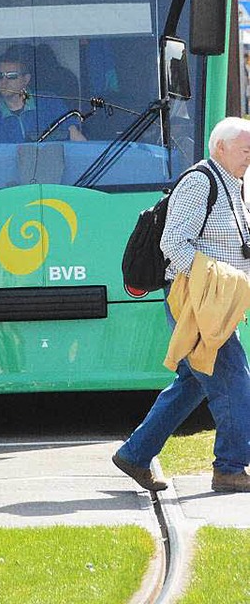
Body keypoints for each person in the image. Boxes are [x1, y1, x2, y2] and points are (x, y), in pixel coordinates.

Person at [113, 117, 250, 494]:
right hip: (198, 301)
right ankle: (230, 468)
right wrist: (220, 279)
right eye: (245, 151)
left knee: (192, 384)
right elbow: (173, 244)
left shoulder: (234, 183)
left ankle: (135, 455)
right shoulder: (199, 182)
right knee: (234, 381)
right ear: (220, 148)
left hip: (217, 303)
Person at [0, 46, 84, 144]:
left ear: (26, 79)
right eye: (0, 76)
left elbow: (77, 141)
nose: (4, 81)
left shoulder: (51, 102)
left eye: (11, 76)